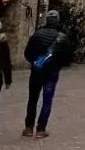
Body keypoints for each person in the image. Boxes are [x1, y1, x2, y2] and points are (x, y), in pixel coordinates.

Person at [22, 10, 65, 138]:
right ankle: (41, 129)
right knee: (47, 100)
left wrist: (35, 62)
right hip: (51, 72)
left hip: (37, 71)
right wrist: (57, 65)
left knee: (33, 99)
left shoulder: (37, 35)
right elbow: (67, 56)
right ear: (57, 20)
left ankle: (29, 128)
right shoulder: (61, 37)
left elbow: (27, 53)